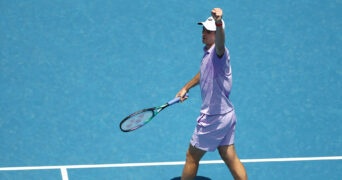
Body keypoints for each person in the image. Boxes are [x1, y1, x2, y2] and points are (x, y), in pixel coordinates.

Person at [175, 8, 248, 180]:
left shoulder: (219, 53)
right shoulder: (208, 54)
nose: (204, 34)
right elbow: (203, 72)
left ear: (216, 34)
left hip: (213, 118)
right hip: (227, 115)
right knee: (229, 156)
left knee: (191, 157)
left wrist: (219, 23)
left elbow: (221, 43)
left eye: (209, 31)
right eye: (203, 30)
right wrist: (186, 87)